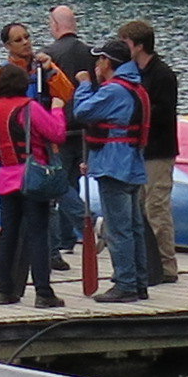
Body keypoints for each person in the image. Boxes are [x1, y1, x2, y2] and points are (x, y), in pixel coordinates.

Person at [0, 25, 67, 307]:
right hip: (32, 178)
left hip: (5, 178)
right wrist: (56, 108)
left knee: (8, 233)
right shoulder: (30, 107)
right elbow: (56, 133)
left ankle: (5, 290)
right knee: (37, 233)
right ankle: (43, 292)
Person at [72, 48, 150, 303]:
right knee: (134, 227)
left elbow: (82, 111)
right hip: (131, 164)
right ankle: (139, 282)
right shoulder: (135, 86)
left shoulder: (114, 90)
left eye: (100, 59)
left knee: (118, 229)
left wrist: (84, 84)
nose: (97, 63)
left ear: (107, 62)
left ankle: (126, 283)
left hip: (114, 166)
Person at [119, 17, 182, 280]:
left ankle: (166, 267)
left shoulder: (162, 75)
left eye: (125, 44)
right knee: (140, 209)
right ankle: (146, 263)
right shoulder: (134, 73)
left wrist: (134, 109)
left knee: (157, 209)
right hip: (140, 149)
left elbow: (164, 113)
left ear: (138, 46)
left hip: (159, 150)